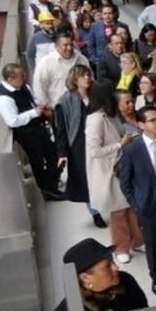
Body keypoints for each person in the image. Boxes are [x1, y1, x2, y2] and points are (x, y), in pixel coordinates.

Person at [118, 105, 156, 295]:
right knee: (152, 246)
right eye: (152, 120)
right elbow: (125, 181)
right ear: (141, 124)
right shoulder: (132, 149)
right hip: (148, 205)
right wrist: (136, 204)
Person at [85, 80, 144, 263]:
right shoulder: (95, 119)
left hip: (121, 167)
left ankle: (137, 240)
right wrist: (120, 144)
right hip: (108, 172)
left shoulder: (110, 115)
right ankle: (120, 247)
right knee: (118, 211)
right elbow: (94, 151)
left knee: (130, 207)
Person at [0, 63, 60, 198]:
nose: (24, 78)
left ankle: (52, 184)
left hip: (38, 128)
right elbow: (13, 120)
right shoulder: (3, 99)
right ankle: (47, 191)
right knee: (38, 163)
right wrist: (33, 113)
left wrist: (41, 109)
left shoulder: (24, 87)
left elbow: (32, 101)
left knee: (53, 154)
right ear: (10, 79)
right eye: (21, 76)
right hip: (27, 134)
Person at [55, 65, 105, 227]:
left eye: (89, 75)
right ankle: (95, 212)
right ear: (75, 79)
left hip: (99, 139)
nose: (87, 78)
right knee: (85, 180)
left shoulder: (97, 96)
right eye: (83, 76)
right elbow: (62, 130)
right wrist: (62, 153)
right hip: (79, 145)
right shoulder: (65, 101)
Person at [33, 31, 91, 107]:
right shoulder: (46, 63)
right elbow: (39, 87)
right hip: (57, 108)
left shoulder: (82, 59)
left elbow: (91, 80)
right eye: (65, 45)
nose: (69, 48)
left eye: (71, 44)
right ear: (56, 46)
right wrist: (47, 108)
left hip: (81, 107)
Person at [86, 4, 126, 69]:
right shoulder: (95, 26)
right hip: (101, 61)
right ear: (102, 14)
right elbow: (90, 44)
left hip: (119, 61)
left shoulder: (122, 26)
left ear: (114, 14)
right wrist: (94, 59)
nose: (107, 16)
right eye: (105, 13)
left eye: (110, 13)